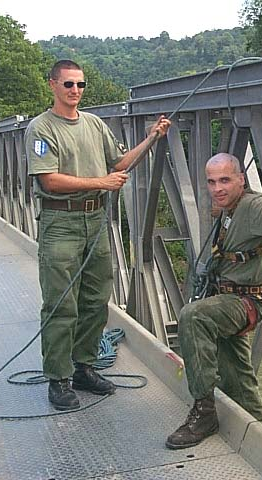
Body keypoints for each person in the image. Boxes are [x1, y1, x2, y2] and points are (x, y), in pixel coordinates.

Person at [24, 59, 171, 411]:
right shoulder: (41, 129)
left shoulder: (94, 124)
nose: (75, 91)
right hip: (61, 223)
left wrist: (151, 137)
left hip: (95, 222)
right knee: (61, 302)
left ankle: (83, 367)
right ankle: (58, 378)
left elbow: (120, 163)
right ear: (53, 85)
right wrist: (100, 182)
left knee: (95, 299)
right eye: (68, 84)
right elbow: (49, 179)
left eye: (80, 85)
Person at [165, 152, 262, 449]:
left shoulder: (254, 206)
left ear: (242, 179)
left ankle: (204, 413)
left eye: (226, 180)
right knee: (238, 381)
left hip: (245, 302)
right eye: (212, 182)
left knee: (193, 316)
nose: (218, 188)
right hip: (226, 298)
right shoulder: (230, 207)